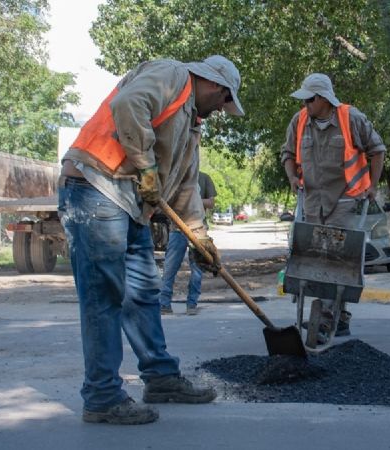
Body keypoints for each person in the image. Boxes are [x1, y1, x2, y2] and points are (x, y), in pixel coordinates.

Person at [58, 56, 244, 425]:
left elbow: (186, 188)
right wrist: (144, 166)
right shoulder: (173, 75)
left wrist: (201, 240)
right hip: (95, 185)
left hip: (127, 203)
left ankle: (160, 378)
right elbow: (128, 104)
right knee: (104, 296)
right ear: (216, 87)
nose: (221, 111)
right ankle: (102, 396)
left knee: (143, 292)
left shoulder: (191, 127)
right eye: (224, 102)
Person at [280, 73, 386, 340]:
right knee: (316, 260)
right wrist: (292, 176)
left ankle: (328, 318)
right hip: (313, 201)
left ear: (324, 98)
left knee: (337, 259)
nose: (305, 104)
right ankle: (336, 318)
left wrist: (373, 185)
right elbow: (287, 153)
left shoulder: (351, 118)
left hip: (345, 200)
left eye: (310, 99)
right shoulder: (300, 121)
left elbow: (378, 150)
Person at [159, 171, 217, 315]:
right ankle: (164, 304)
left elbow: (211, 202)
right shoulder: (175, 174)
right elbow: (166, 201)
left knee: (197, 269)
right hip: (177, 229)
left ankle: (192, 304)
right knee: (170, 268)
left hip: (198, 231)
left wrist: (193, 199)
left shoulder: (204, 177)